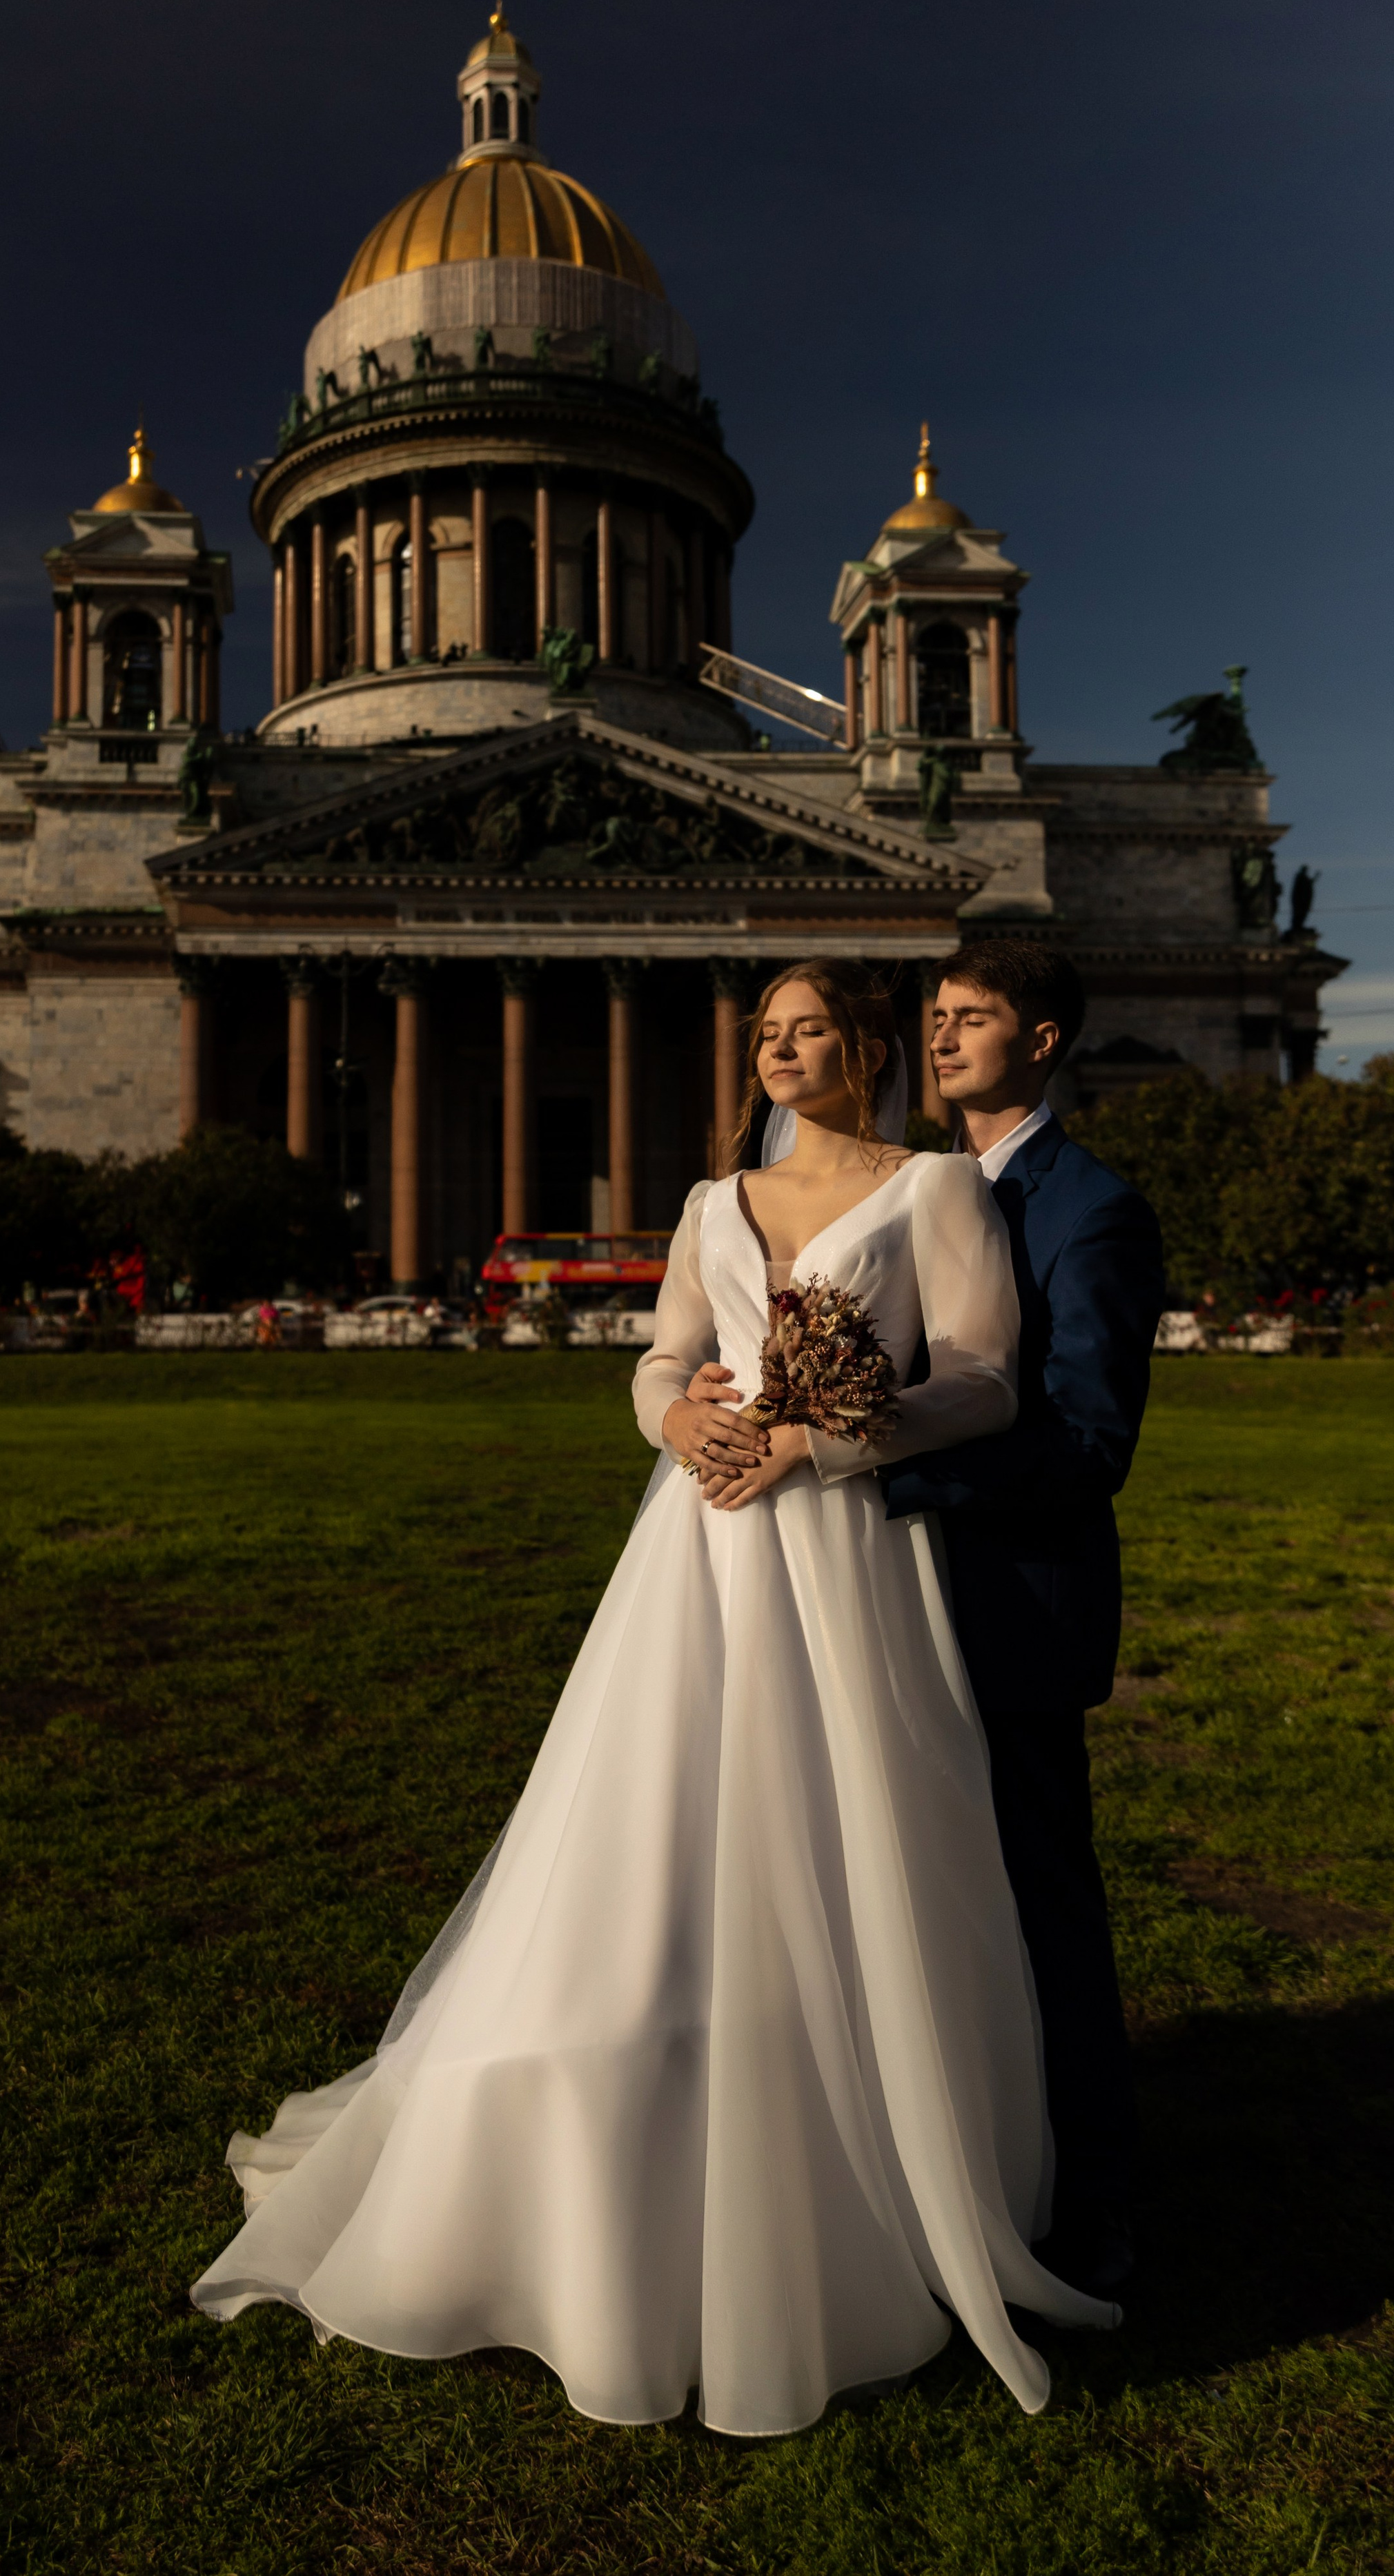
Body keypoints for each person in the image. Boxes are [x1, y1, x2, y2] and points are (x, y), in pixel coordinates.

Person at [190, 961, 1119, 2434]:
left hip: (841, 1549)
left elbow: (991, 1383)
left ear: (863, 1050)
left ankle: (845, 2134)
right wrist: (680, 1415)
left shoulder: (937, 1193)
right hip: (699, 1545)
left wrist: (822, 1445)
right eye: (763, 1034)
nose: (777, 1052)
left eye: (805, 1029)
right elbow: (661, 1355)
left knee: (842, 1832)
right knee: (656, 1835)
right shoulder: (706, 1207)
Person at [881, 943, 1165, 2299]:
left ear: (1042, 1041)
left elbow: (1088, 1441)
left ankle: (1092, 2198)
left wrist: (876, 1467)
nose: (939, 1040)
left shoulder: (1088, 1211)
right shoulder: (908, 1192)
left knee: (1042, 1905)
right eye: (932, 1019)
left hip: (1009, 1608)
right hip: (885, 1606)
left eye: (971, 1019)